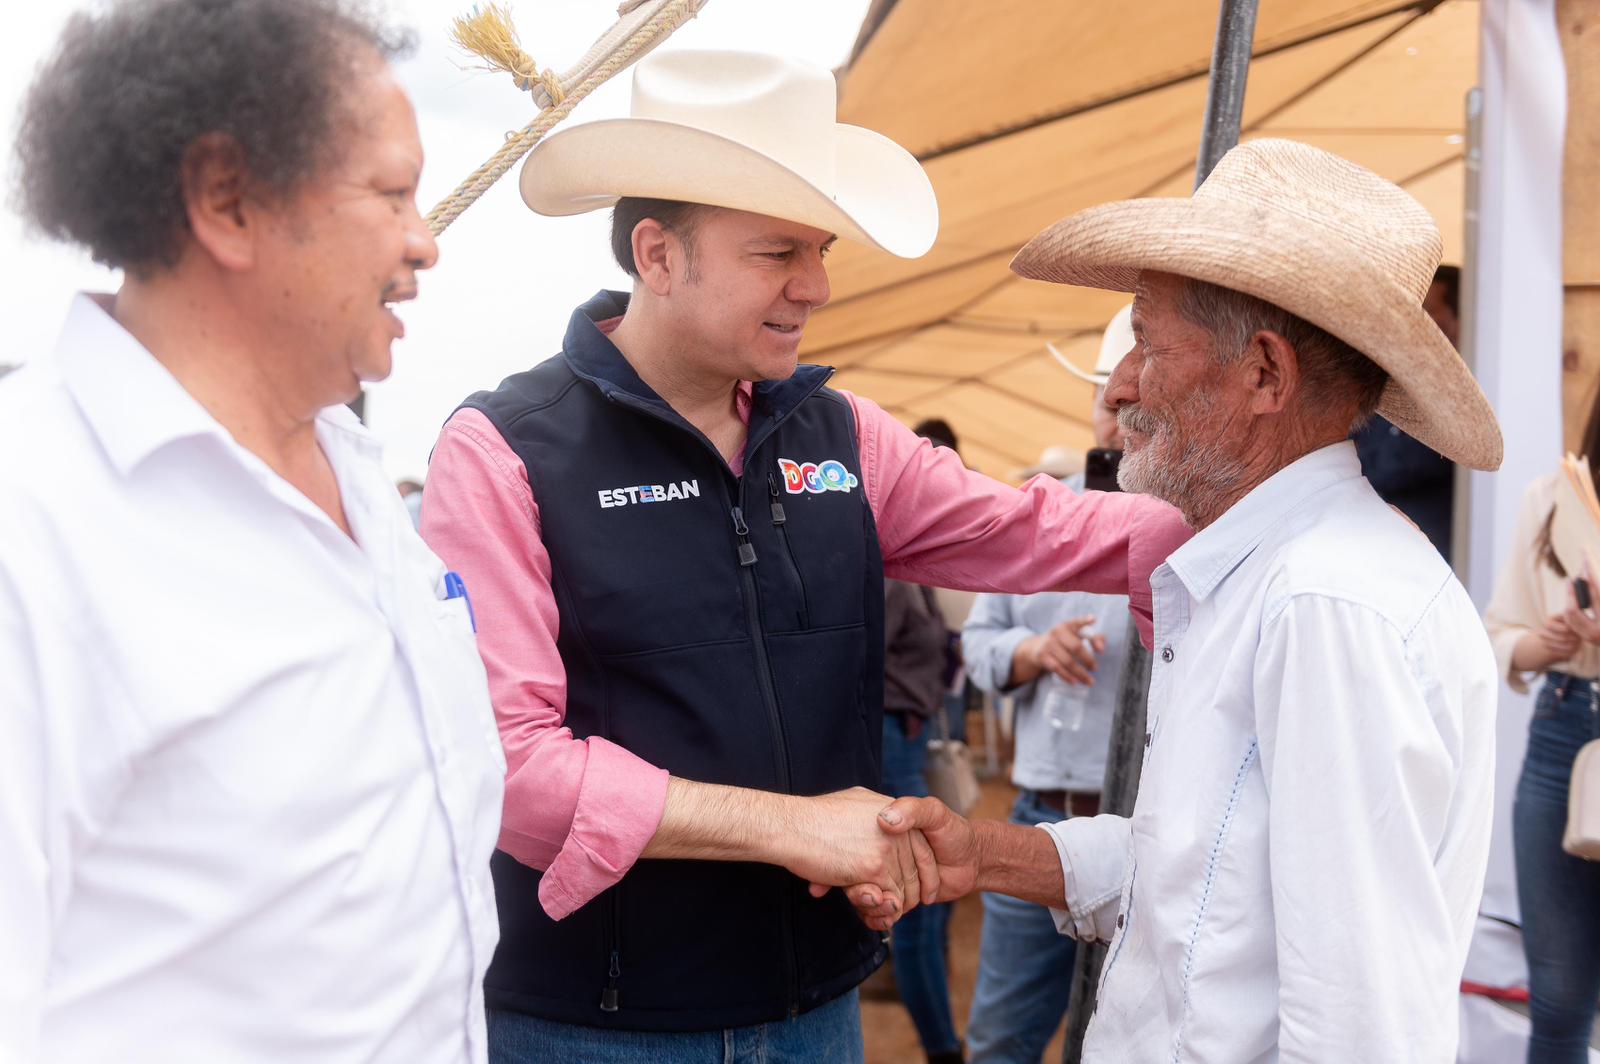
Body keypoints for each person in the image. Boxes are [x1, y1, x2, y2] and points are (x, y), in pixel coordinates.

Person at [418, 48, 1190, 1062]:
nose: (817, 285)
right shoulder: (505, 451)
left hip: (813, 1009)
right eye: (778, 251)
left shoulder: (841, 436)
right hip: (594, 1026)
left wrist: (1252, 510)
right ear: (658, 255)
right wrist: (794, 827)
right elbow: (508, 768)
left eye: (819, 249)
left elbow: (1035, 529)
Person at [853, 139, 1505, 1062]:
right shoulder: (1273, 576)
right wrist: (985, 852)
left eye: (1146, 344)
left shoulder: (1322, 604)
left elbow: (1356, 1026)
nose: (1121, 389)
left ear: (1265, 375)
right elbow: (1206, 877)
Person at [0, 1, 504, 1061]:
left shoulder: (363, 481)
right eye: (392, 193)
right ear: (227, 200)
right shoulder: (32, 527)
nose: (425, 241)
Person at [959, 306, 1135, 1064]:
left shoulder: (1201, 518)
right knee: (1002, 1037)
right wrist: (1032, 650)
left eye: (1136, 399)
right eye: (1108, 398)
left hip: (1145, 824)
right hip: (1041, 817)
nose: (1118, 415)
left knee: (1125, 1042)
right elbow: (976, 644)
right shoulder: (1038, 508)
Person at [1484, 392, 1600, 1063]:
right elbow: (1502, 634)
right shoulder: (1554, 497)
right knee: (1557, 1001)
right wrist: (1549, 642)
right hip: (1562, 726)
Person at [882, 422, 967, 1064]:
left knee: (930, 897)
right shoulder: (886, 560)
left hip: (909, 735)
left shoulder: (909, 558)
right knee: (921, 900)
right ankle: (942, 1049)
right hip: (891, 739)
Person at [1352, 264, 1460, 561]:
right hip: (1372, 548)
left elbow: (1392, 468)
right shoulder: (1391, 388)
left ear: (1459, 320)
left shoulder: (1458, 407)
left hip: (1429, 556)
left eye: (1428, 312)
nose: (1415, 323)